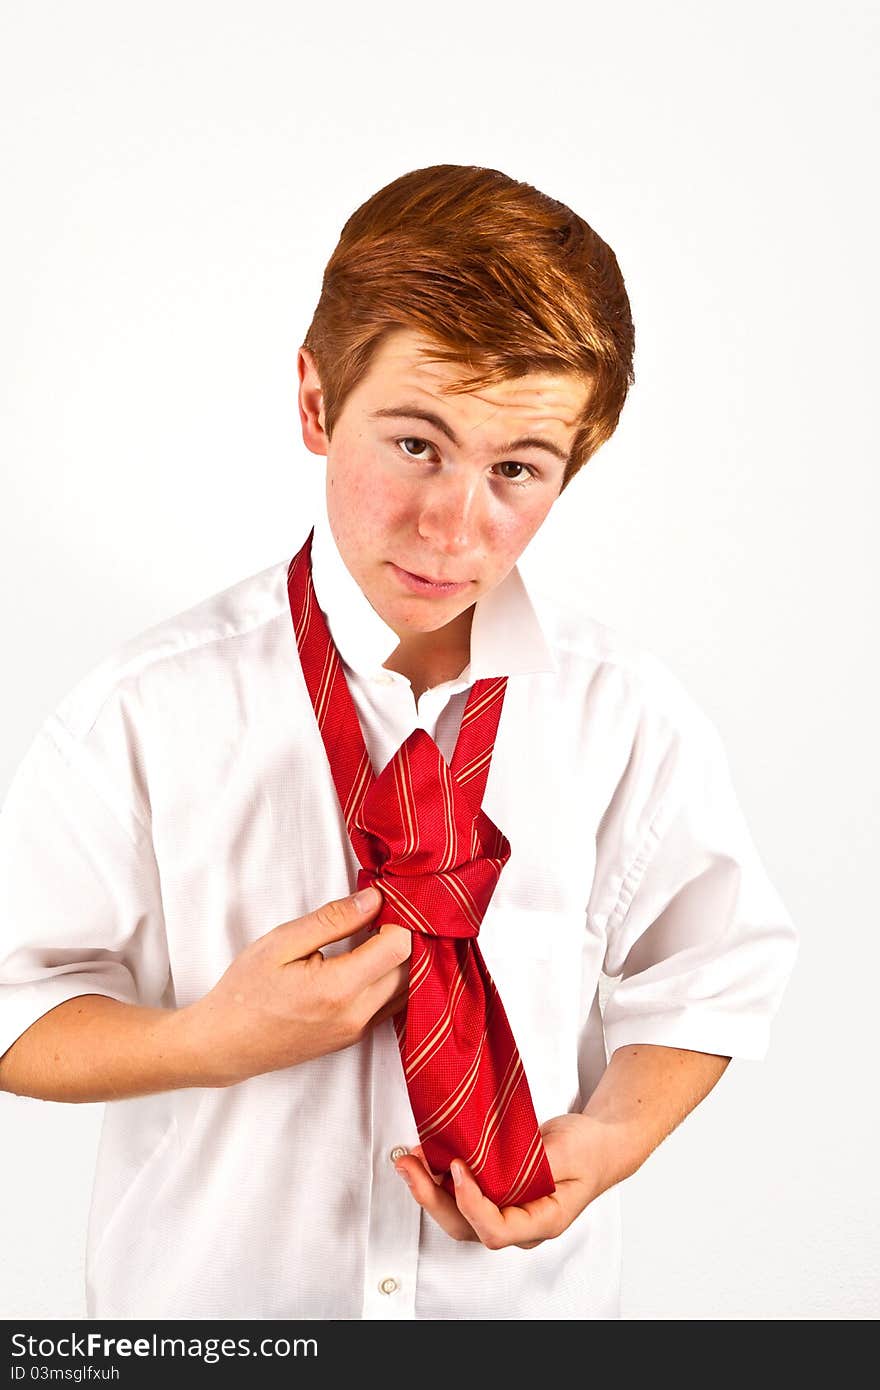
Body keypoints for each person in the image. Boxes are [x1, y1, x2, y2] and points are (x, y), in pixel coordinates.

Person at [0, 163, 798, 1321]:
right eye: (417, 444)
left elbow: (714, 973)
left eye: (516, 470)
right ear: (317, 404)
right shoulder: (144, 711)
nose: (454, 524)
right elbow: (15, 1008)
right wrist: (209, 1040)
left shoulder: (625, 716)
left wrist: (613, 1138)